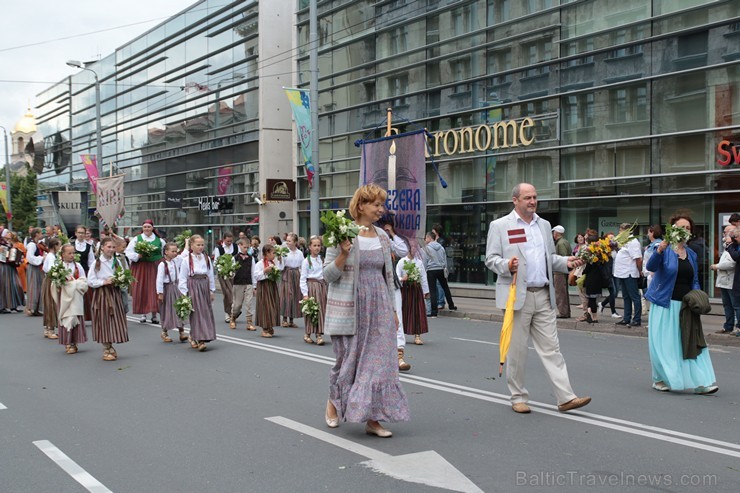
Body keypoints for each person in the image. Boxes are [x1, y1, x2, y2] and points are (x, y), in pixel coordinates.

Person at [484, 183, 591, 414]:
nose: (532, 201)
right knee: (518, 351)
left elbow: (549, 258)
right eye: (527, 198)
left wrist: (566, 263)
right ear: (515, 200)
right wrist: (505, 265)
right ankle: (518, 397)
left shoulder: (544, 225)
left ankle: (566, 397)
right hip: (516, 296)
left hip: (543, 294)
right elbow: (490, 259)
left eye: (535, 197)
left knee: (552, 349)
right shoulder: (500, 225)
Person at [323, 184, 410, 438]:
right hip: (351, 306)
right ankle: (334, 401)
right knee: (348, 361)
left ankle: (373, 419)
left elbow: (388, 276)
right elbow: (327, 275)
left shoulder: (383, 237)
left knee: (381, 363)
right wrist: (342, 254)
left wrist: (394, 310)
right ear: (361, 205)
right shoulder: (341, 234)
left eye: (381, 205)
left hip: (380, 304)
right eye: (376, 205)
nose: (381, 210)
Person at [645, 215, 718, 394]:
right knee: (665, 346)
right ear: (672, 229)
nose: (685, 231)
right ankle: (660, 379)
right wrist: (660, 250)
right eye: (682, 227)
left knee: (692, 344)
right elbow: (651, 267)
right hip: (665, 303)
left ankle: (702, 383)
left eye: (688, 228)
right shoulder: (661, 247)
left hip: (685, 307)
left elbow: (693, 280)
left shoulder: (691, 254)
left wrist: (698, 298)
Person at [87, 237, 129, 361]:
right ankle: (106, 347)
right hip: (102, 294)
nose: (111, 249)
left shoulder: (117, 261)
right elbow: (90, 281)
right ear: (102, 248)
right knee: (103, 320)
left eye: (113, 247)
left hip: (114, 293)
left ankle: (110, 345)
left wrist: (121, 281)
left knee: (115, 320)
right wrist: (103, 282)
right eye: (108, 247)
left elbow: (122, 275)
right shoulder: (97, 263)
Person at [381, 220, 412, 371]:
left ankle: (399, 356)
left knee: (397, 319)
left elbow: (403, 250)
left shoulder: (387, 239)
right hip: (375, 286)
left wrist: (392, 234)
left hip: (392, 284)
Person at [177, 235, 217, 351]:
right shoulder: (186, 260)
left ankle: (195, 336)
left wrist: (211, 290)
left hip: (204, 285)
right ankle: (200, 340)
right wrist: (184, 294)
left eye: (202, 245)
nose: (200, 247)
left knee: (205, 312)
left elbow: (210, 274)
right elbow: (183, 278)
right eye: (198, 245)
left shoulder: (206, 258)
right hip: (193, 286)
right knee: (196, 313)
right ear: (191, 245)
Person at [125, 219, 163, 324]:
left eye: (149, 227)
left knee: (155, 289)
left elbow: (164, 252)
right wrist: (138, 256)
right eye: (145, 227)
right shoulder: (137, 239)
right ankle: (143, 313)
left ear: (152, 228)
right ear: (142, 228)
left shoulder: (159, 240)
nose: (147, 229)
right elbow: (128, 252)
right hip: (141, 267)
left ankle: (154, 314)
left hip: (155, 266)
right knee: (142, 289)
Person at [56, 244, 88, 355]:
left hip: (75, 296)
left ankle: (75, 341)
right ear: (63, 254)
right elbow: (54, 282)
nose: (72, 255)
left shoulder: (78, 266)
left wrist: (75, 283)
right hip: (64, 297)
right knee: (66, 317)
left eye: (73, 253)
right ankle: (67, 342)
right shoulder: (58, 267)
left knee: (75, 316)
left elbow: (84, 280)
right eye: (69, 253)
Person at [397, 246, 430, 345]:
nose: (413, 251)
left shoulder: (419, 262)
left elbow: (423, 277)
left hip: (416, 289)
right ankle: (400, 335)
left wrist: (425, 291)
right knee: (403, 311)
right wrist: (402, 278)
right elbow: (396, 275)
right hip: (405, 290)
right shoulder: (402, 262)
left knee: (417, 312)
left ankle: (417, 336)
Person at [156, 242, 187, 343]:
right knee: (168, 310)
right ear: (166, 252)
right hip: (167, 289)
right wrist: (160, 293)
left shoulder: (176, 261)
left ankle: (181, 332)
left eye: (176, 251)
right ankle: (164, 332)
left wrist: (186, 242)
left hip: (176, 287)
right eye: (172, 251)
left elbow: (185, 254)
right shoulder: (162, 264)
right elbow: (159, 279)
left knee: (179, 309)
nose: (175, 253)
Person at [613, 222, 643, 327]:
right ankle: (626, 318)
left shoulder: (633, 241)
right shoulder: (623, 241)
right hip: (622, 273)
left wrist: (639, 271)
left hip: (629, 273)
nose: (619, 232)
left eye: (621, 230)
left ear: (627, 231)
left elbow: (638, 258)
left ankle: (637, 319)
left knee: (634, 296)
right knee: (626, 297)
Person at [711, 225, 738, 335]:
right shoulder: (726, 246)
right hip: (723, 281)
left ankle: (737, 327)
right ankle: (728, 326)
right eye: (724, 232)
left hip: (731, 280)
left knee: (735, 305)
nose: (724, 234)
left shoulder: (735, 247)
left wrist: (717, 266)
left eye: (726, 232)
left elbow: (732, 263)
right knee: (727, 305)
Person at [300, 235, 327, 345]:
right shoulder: (306, 261)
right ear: (309, 247)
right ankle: (308, 333)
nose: (317, 248)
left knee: (321, 310)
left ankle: (319, 334)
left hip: (321, 286)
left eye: (319, 245)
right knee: (311, 310)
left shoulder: (322, 259)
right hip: (311, 286)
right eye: (314, 245)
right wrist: (305, 294)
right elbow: (303, 278)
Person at [422, 232, 457, 318]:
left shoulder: (426, 248)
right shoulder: (441, 247)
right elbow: (444, 259)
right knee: (445, 287)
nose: (425, 240)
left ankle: (434, 312)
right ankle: (451, 305)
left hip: (431, 270)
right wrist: (444, 268)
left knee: (432, 290)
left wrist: (424, 270)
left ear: (429, 238)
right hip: (441, 269)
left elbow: (425, 261)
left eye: (426, 238)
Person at [253, 244, 282, 338]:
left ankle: (270, 325)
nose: (274, 255)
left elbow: (279, 270)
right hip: (264, 287)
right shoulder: (260, 264)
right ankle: (265, 328)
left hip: (272, 286)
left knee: (273, 306)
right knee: (265, 307)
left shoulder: (273, 263)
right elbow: (256, 276)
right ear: (266, 253)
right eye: (273, 253)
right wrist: (264, 271)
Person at [230, 238, 258, 331]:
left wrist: (254, 286)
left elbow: (253, 272)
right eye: (244, 247)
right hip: (238, 283)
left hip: (248, 282)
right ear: (240, 246)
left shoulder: (251, 258)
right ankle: (233, 317)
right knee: (237, 304)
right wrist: (230, 274)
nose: (246, 249)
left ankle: (249, 322)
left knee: (249, 303)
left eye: (247, 247)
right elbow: (232, 271)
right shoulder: (234, 258)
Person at [280, 232, 304, 328]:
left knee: (295, 296)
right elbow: (281, 266)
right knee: (286, 295)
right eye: (287, 241)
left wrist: (302, 277)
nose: (287, 243)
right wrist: (280, 260)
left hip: (296, 274)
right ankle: (284, 319)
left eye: (289, 241)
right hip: (287, 273)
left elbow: (302, 265)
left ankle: (291, 319)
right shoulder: (284, 252)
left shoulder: (300, 253)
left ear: (295, 242)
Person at [213, 232, 236, 324]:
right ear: (224, 240)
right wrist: (221, 267)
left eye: (231, 241)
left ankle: (233, 311)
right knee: (227, 293)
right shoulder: (219, 249)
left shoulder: (235, 247)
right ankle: (228, 313)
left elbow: (237, 258)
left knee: (233, 293)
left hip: (233, 273)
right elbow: (215, 261)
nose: (229, 243)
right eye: (227, 241)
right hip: (223, 273)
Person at [41, 238, 61, 339]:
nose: (60, 247)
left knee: (50, 303)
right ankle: (50, 329)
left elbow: (44, 268)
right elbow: (49, 269)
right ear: (55, 246)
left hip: (48, 279)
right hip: (50, 280)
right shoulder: (51, 256)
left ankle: (48, 328)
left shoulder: (52, 256)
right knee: (50, 304)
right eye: (59, 245)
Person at [0, 233, 25, 314]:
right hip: (4, 267)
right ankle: (3, 306)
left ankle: (14, 305)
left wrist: (17, 258)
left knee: (15, 284)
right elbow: (2, 257)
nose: (6, 236)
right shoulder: (2, 244)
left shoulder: (8, 244)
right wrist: (8, 257)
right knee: (5, 286)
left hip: (11, 267)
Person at [24, 228, 45, 316]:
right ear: (36, 234)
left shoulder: (37, 244)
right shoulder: (32, 245)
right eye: (40, 233)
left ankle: (36, 308)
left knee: (39, 286)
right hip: (33, 267)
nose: (42, 235)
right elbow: (30, 257)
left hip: (38, 267)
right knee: (33, 286)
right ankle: (31, 308)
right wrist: (42, 258)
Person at [552, 225, 571, 318]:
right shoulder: (565, 241)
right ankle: (566, 311)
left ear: (556, 233)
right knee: (563, 292)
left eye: (553, 232)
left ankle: (563, 312)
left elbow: (562, 257)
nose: (553, 234)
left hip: (559, 271)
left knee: (560, 292)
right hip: (563, 270)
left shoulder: (560, 243)